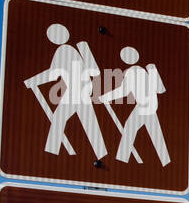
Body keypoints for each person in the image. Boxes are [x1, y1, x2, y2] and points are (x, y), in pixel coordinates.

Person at [27, 23, 106, 158]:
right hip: (84, 90)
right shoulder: (74, 49)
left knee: (59, 118)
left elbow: (53, 74)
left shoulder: (63, 50)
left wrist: (32, 81)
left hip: (75, 91)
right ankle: (102, 154)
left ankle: (51, 153)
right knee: (89, 123)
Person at [98, 46, 171, 166]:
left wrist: (106, 97)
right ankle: (166, 161)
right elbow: (159, 90)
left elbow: (124, 91)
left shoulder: (133, 71)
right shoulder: (144, 70)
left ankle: (122, 159)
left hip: (143, 106)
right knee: (155, 134)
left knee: (130, 128)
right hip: (151, 106)